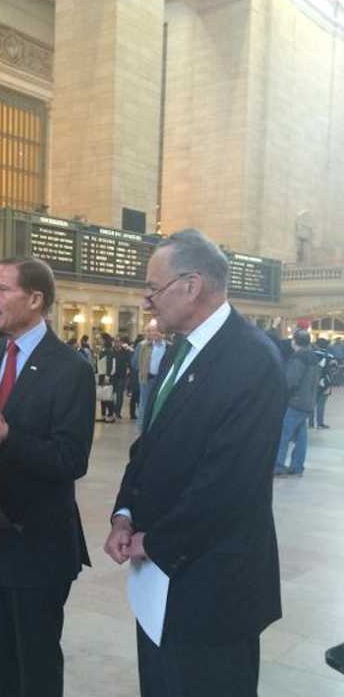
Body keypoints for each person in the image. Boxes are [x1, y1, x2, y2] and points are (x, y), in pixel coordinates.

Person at [104, 229, 286, 697]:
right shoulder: (179, 351)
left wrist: (154, 540)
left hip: (213, 590)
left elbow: (228, 484)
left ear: (191, 285)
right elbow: (149, 447)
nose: (147, 302)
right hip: (161, 586)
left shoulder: (251, 360)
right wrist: (124, 513)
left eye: (154, 288)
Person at [0, 257, 95, 697]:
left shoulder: (72, 369)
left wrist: (6, 434)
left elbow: (72, 459)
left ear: (35, 299)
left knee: (35, 666)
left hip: (37, 546)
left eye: (2, 289)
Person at [274, 329, 320, 477]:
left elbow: (291, 381)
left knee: (283, 434)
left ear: (295, 341)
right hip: (308, 402)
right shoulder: (313, 357)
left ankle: (278, 465)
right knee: (301, 437)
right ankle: (297, 466)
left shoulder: (299, 358)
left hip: (295, 403)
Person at [132, 321, 168, 432]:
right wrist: (142, 370)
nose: (155, 333)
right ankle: (142, 429)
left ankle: (155, 427)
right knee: (144, 404)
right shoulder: (143, 346)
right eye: (153, 331)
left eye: (158, 331)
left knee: (160, 403)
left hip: (161, 379)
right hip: (146, 378)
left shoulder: (168, 346)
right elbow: (135, 362)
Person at [309, 337, 335, 429]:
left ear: (317, 345)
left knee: (312, 403)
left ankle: (311, 423)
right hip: (326, 383)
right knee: (321, 404)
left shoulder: (312, 355)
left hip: (313, 382)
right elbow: (333, 370)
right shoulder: (331, 356)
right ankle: (320, 423)